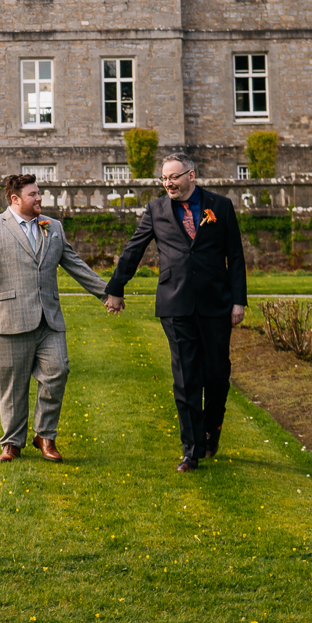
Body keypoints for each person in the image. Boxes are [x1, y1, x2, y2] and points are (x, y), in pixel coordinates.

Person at [103, 155, 247, 471]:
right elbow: (134, 250)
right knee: (186, 377)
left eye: (174, 177)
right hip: (175, 303)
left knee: (217, 374)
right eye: (164, 179)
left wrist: (239, 301)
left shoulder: (220, 207)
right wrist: (116, 288)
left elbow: (234, 256)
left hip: (216, 303)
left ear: (191, 175)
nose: (168, 183)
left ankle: (212, 429)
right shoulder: (156, 210)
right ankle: (191, 450)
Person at [0, 173, 115, 462]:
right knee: (12, 386)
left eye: (39, 193)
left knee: (57, 373)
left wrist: (108, 293)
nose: (40, 198)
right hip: (9, 320)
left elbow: (75, 264)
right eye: (33, 194)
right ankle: (11, 443)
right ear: (15, 199)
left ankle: (44, 436)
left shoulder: (53, 227)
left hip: (49, 321)